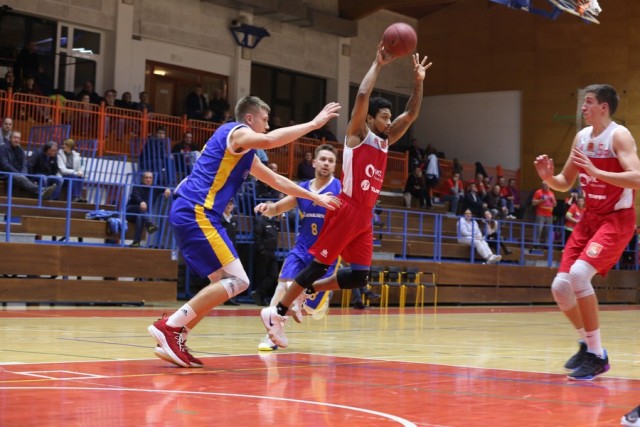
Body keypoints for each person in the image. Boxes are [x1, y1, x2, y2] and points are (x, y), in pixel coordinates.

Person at [147, 95, 341, 368]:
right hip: (197, 212)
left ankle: (177, 334)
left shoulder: (243, 155)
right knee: (239, 282)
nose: (267, 125)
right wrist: (314, 124)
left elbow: (276, 180)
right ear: (249, 119)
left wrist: (316, 197)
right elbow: (270, 141)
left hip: (195, 213)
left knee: (222, 284)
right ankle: (171, 326)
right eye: (264, 120)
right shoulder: (234, 133)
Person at [259, 43, 431, 349]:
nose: (389, 121)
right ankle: (278, 313)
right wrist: (378, 64)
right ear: (369, 120)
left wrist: (418, 82)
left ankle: (308, 291)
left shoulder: (386, 140)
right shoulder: (357, 135)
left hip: (365, 215)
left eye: (390, 116)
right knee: (317, 265)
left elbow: (412, 112)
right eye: (384, 116)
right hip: (348, 207)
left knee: (359, 277)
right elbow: (363, 97)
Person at [534, 84, 640, 381]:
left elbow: (637, 177)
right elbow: (564, 182)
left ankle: (597, 356)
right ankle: (588, 345)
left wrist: (598, 172)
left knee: (580, 276)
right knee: (560, 288)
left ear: (604, 107)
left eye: (589, 102)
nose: (583, 107)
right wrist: (548, 178)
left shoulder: (618, 135)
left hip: (616, 219)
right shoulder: (581, 138)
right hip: (590, 220)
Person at [254, 144, 341, 351]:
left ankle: (318, 303)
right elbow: (277, 208)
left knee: (309, 309)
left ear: (335, 166)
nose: (326, 163)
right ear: (314, 162)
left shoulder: (341, 189)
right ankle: (271, 335)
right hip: (302, 249)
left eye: (330, 160)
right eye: (323, 159)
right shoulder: (302, 189)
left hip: (325, 254)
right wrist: (268, 208)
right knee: (283, 286)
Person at [0, 131, 56, 199]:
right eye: (15, 138)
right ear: (10, 138)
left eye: (18, 138)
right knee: (21, 178)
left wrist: (23, 174)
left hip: (18, 176)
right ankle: (41, 190)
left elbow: (24, 164)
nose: (16, 140)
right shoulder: (3, 148)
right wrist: (18, 174)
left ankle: (42, 194)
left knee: (24, 178)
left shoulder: (20, 150)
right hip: (5, 174)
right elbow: (5, 165)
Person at [126, 171, 171, 247]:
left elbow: (164, 187)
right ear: (143, 179)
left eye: (150, 178)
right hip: (131, 212)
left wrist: (167, 189)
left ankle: (136, 242)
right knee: (141, 209)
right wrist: (141, 202)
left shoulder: (154, 188)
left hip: (141, 215)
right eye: (146, 178)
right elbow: (135, 195)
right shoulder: (137, 186)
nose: (148, 180)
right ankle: (149, 224)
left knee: (140, 217)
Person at [250, 213, 280, 306]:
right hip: (264, 252)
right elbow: (257, 236)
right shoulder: (260, 220)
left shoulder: (274, 221)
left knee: (274, 275)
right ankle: (260, 298)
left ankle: (258, 292)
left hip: (272, 251)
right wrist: (261, 250)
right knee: (262, 275)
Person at [221, 199, 240, 306]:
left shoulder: (234, 219)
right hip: (221, 250)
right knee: (221, 275)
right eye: (227, 204)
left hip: (232, 251)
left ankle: (231, 298)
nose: (229, 206)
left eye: (231, 204)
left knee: (233, 274)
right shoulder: (219, 218)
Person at [57, 138, 86, 202]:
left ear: (70, 146)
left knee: (80, 177)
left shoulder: (76, 155)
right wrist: (75, 172)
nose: (63, 146)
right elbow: (63, 170)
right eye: (63, 144)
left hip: (73, 175)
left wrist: (80, 171)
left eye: (66, 145)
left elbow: (80, 166)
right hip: (63, 176)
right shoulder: (59, 154)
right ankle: (75, 197)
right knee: (74, 176)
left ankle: (79, 196)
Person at [531, 181, 556, 247]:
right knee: (539, 228)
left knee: (548, 229)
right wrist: (542, 200)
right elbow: (533, 203)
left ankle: (546, 244)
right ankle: (536, 243)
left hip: (549, 214)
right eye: (545, 185)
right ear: (542, 185)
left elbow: (555, 205)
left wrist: (553, 201)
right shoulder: (538, 192)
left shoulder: (552, 193)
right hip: (540, 213)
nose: (547, 186)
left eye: (548, 185)